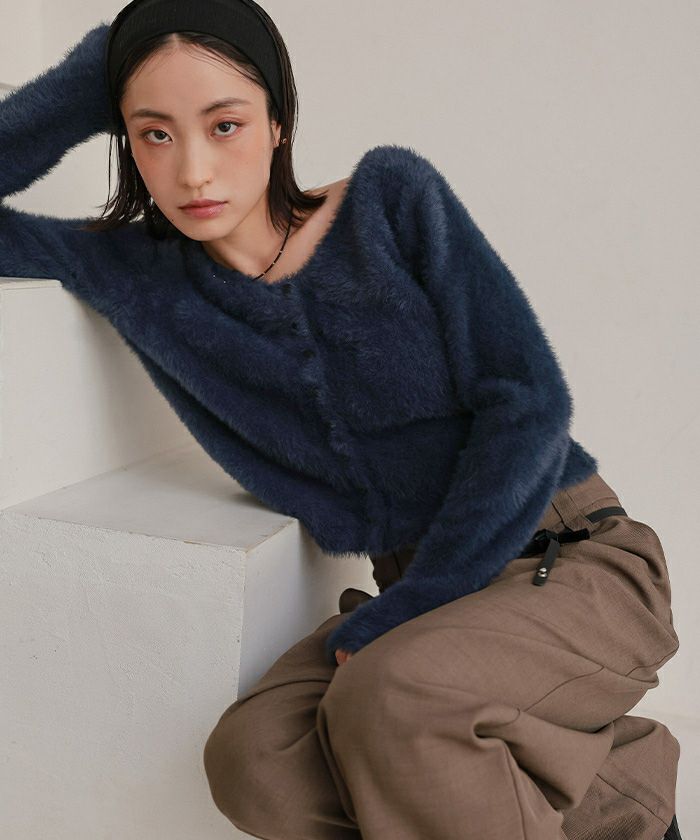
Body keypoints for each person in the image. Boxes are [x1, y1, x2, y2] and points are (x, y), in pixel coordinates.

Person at [0, 1, 682, 838]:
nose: (194, 172)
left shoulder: (390, 201)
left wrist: (422, 599)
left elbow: (527, 401)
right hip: (423, 605)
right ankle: (617, 794)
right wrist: (92, 79)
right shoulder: (137, 278)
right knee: (256, 758)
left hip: (565, 558)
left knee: (397, 699)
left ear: (278, 122)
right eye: (156, 134)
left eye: (224, 125)